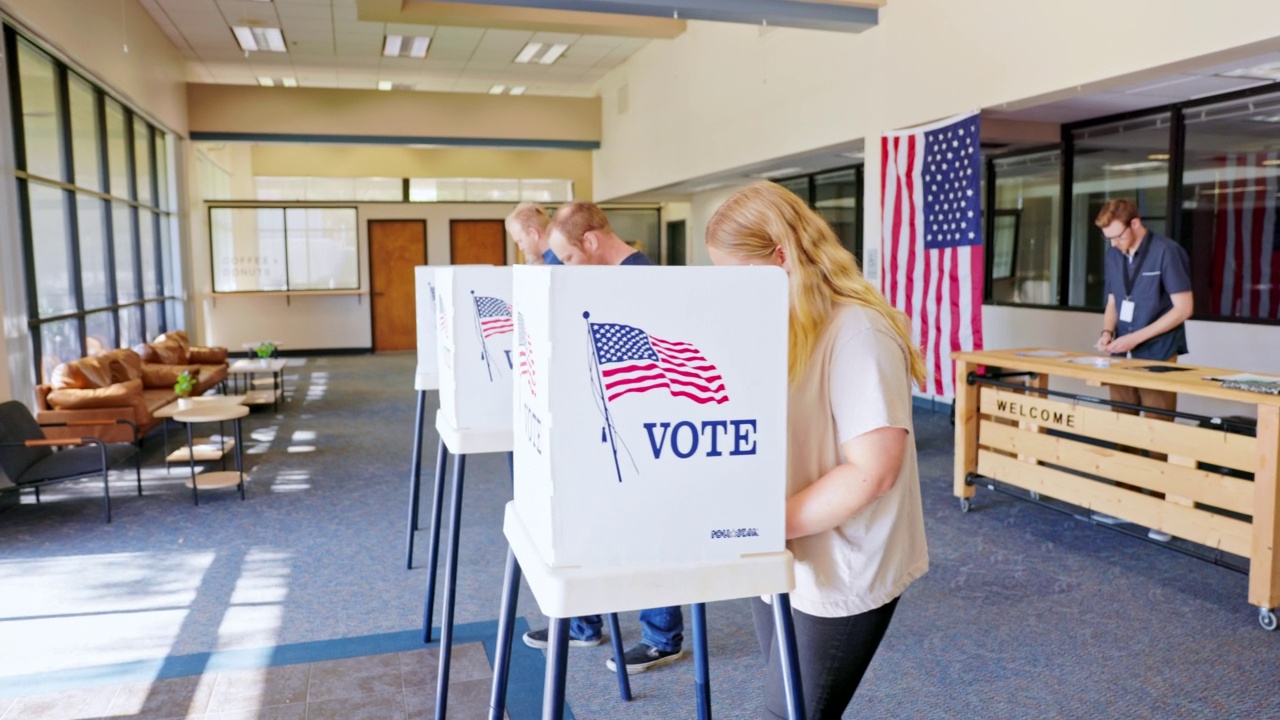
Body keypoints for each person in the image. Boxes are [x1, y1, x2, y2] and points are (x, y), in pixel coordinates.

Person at [706, 182, 929, 720]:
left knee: (789, 713)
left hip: (842, 555)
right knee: (787, 701)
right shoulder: (782, 320)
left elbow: (872, 472)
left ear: (780, 257)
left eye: (734, 274)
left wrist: (765, 522)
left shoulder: (857, 330)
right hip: (786, 542)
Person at [521, 201, 686, 675]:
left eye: (569, 258)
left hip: (644, 435)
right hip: (604, 426)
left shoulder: (642, 280)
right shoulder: (606, 279)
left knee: (653, 532)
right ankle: (584, 623)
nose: (567, 269)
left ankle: (661, 638)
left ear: (590, 241)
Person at [1091, 199, 1193, 540]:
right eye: (1108, 238)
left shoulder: (1167, 252)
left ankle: (1161, 513)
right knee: (1123, 425)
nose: (1114, 244)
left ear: (1135, 224)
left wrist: (1135, 337)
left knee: (1157, 430)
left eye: (1117, 236)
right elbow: (1112, 303)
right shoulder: (1112, 253)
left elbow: (1183, 308)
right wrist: (1108, 333)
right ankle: (1125, 502)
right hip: (1123, 354)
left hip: (1158, 355)